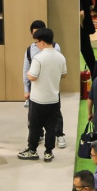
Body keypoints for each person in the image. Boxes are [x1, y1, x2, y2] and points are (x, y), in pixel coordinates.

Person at [19, 27, 67, 162]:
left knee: (35, 126)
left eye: (37, 42)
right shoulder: (60, 57)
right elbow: (64, 74)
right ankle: (48, 152)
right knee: (51, 127)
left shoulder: (38, 58)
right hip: (53, 99)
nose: (36, 45)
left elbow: (32, 76)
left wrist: (29, 75)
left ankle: (32, 150)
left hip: (38, 100)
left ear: (43, 42)